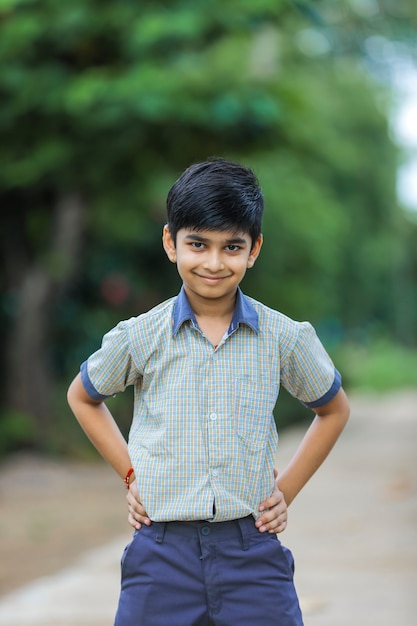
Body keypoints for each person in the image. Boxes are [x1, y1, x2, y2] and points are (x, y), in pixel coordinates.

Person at [67, 158, 350, 626]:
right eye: (198, 244)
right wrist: (130, 475)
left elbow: (333, 410)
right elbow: (83, 396)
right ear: (170, 243)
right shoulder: (140, 335)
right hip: (160, 554)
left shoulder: (285, 337)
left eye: (231, 247)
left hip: (252, 554)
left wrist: (286, 491)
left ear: (254, 249)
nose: (214, 263)